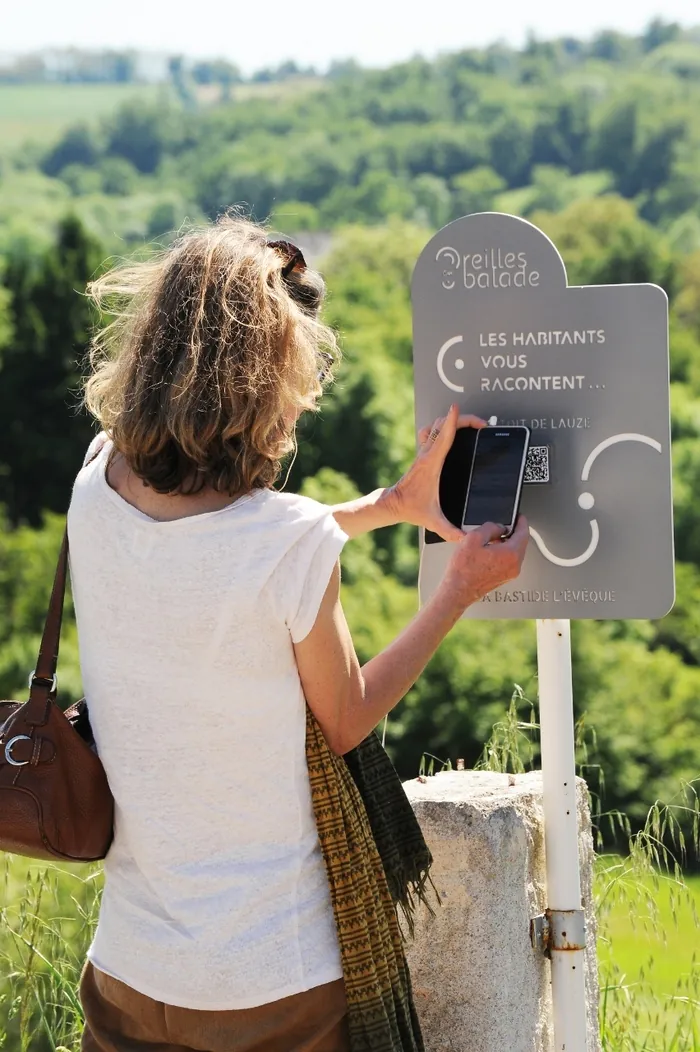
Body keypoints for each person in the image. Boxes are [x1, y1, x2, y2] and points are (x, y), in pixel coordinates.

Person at [68, 215, 529, 1052]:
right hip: (269, 981)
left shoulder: (96, 479)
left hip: (130, 967)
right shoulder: (285, 540)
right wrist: (457, 591)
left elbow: (218, 563)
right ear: (265, 379)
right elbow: (347, 718)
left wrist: (385, 507)